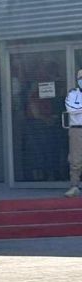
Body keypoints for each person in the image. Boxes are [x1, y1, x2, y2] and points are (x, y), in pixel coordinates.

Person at [64, 68, 82, 197]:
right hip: (77, 130)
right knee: (75, 159)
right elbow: (71, 110)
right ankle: (74, 186)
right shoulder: (72, 94)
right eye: (81, 78)